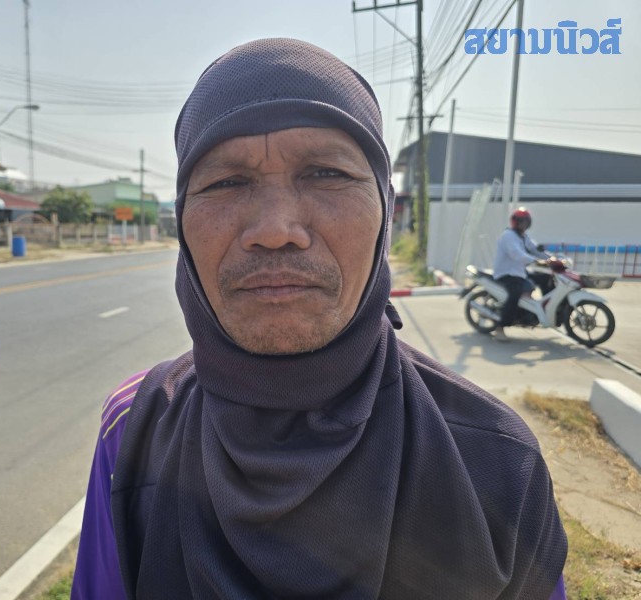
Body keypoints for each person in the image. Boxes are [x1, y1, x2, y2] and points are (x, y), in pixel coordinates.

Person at [72, 39, 567, 599]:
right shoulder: (135, 429)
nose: (275, 229)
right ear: (182, 219)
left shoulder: (497, 460)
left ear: (384, 212)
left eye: (326, 173)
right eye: (226, 182)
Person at [492, 207, 550, 342]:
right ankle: (500, 327)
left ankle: (543, 309)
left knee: (545, 278)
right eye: (521, 222)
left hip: (519, 272)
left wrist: (551, 258)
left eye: (526, 222)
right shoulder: (508, 236)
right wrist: (536, 261)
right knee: (515, 293)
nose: (524, 224)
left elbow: (534, 249)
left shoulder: (523, 236)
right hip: (506, 273)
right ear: (515, 222)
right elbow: (517, 254)